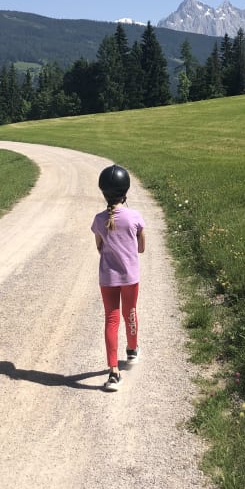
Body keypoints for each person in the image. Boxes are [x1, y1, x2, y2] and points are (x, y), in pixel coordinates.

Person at [90, 164, 146, 392]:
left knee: (111, 320)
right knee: (130, 313)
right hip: (130, 277)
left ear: (103, 192)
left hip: (108, 278)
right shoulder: (134, 217)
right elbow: (141, 248)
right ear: (126, 191)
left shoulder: (99, 219)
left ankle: (113, 372)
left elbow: (99, 247)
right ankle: (132, 350)